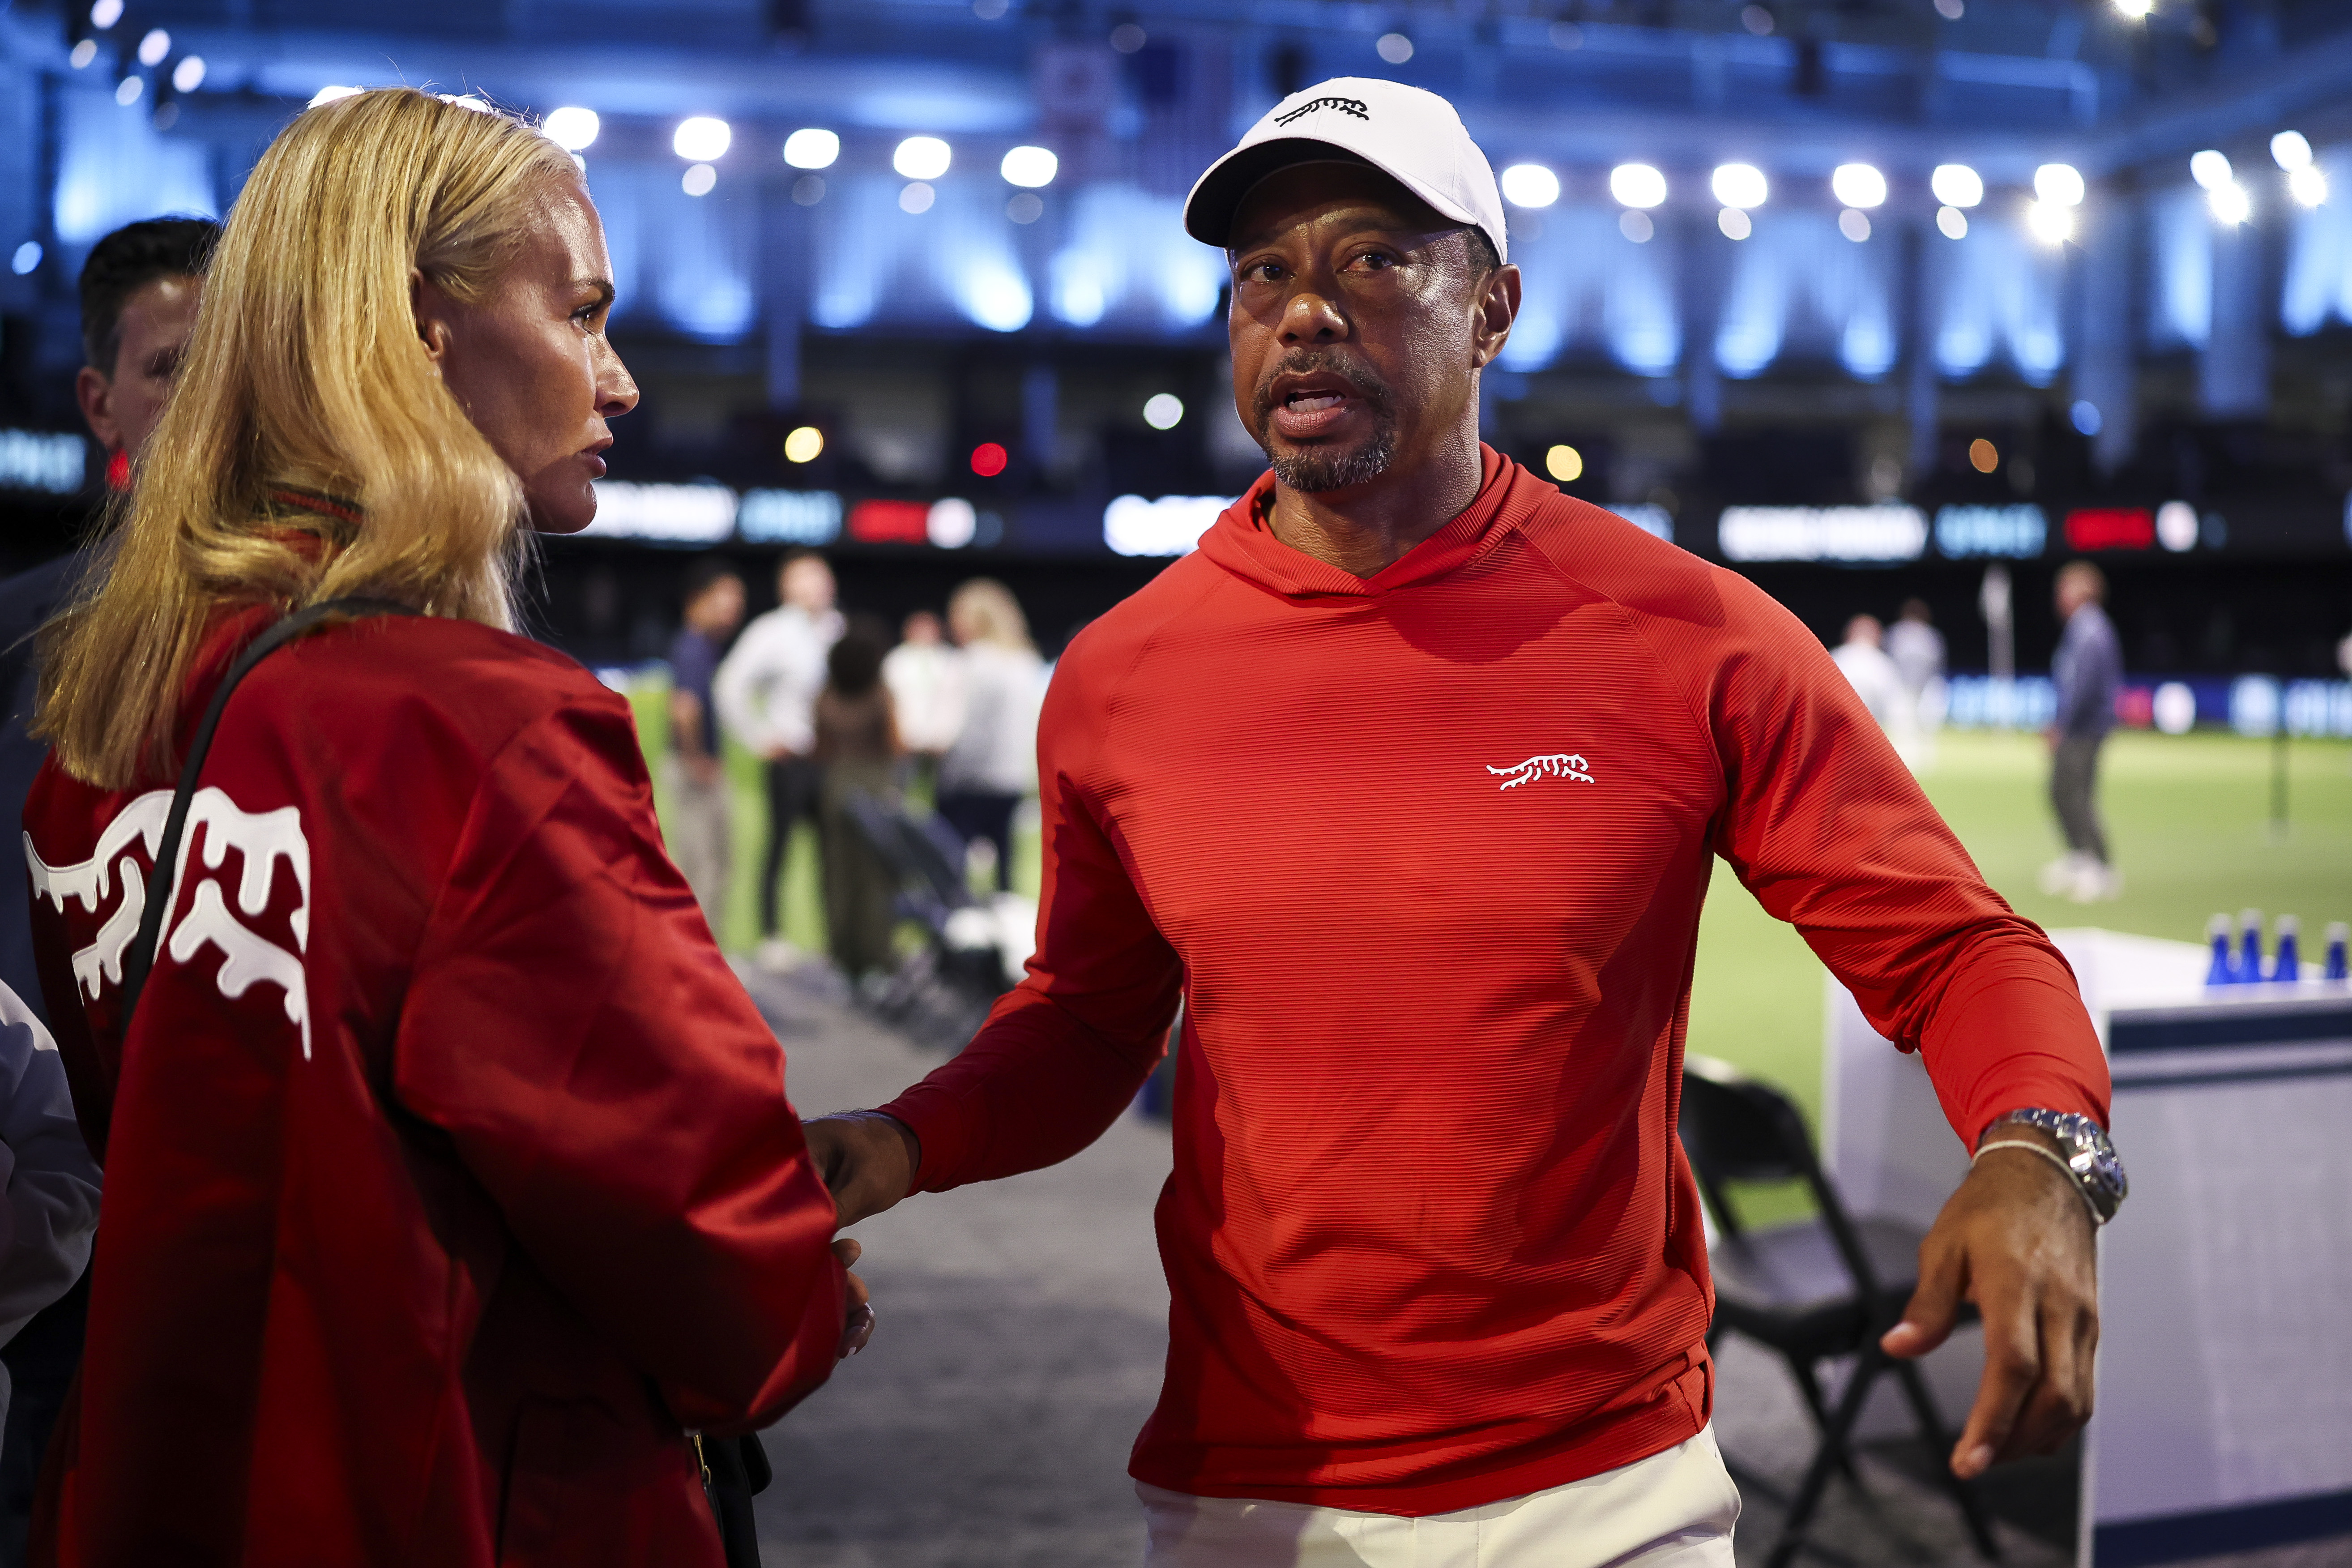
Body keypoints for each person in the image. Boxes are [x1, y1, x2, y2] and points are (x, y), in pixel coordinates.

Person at [807, 77, 2120, 1568]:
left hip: (1607, 1494)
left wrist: (2038, 1149)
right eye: (1263, 275)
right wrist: (901, 1142)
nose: (1305, 309)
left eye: (1373, 258)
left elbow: (1952, 949)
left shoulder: (1686, 633)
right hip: (1254, 1492)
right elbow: (1089, 1021)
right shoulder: (1119, 677)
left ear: (1490, 309)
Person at [21, 89, 862, 1565]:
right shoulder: (481, 729)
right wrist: (809, 1287)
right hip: (459, 1499)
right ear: (418, 332)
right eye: (583, 312)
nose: (618, 381)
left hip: (166, 1492)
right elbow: (723, 1243)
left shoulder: (100, 734)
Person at [0, 214, 218, 1566]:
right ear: (100, 399)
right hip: (58, 1245)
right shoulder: (19, 636)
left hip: (275, 1238)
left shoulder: (368, 645)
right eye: (168, 368)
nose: (205, 408)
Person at [716, 551, 843, 971]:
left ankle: (834, 941)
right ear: (788, 586)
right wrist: (759, 738)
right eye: (808, 579)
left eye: (822, 579)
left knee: (834, 851)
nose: (818, 587)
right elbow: (731, 684)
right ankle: (771, 936)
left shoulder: (835, 629)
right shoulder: (772, 631)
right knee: (779, 848)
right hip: (790, 756)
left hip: (829, 759)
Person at [934, 579, 1042, 893]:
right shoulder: (1025, 661)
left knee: (953, 868)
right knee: (1005, 868)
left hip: (968, 778)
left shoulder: (972, 661)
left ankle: (957, 935)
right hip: (1010, 777)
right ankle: (1006, 931)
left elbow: (960, 728)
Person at [813, 616, 903, 985]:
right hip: (876, 786)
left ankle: (842, 956)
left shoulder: (826, 696)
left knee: (837, 876)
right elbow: (895, 743)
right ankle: (876, 957)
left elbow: (820, 748)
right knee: (877, 878)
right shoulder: (880, 694)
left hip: (837, 785)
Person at [666, 557, 746, 928]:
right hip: (694, 769)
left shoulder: (699, 646)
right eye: (726, 597)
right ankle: (699, 965)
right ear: (699, 599)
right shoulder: (693, 646)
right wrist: (697, 758)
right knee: (705, 869)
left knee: (710, 865)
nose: (733, 607)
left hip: (691, 765)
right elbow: (684, 709)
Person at [2040, 561, 2122, 904]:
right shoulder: (2084, 627)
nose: (2058, 597)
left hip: (2083, 728)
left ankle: (2101, 867)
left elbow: (2081, 685)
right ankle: (2079, 857)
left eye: (2065, 589)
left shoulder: (2089, 628)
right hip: (2082, 725)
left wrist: (2062, 724)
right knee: (2062, 793)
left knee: (2076, 796)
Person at [880, 609, 965, 791]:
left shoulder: (951, 660)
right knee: (901, 786)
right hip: (906, 736)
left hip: (942, 740)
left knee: (939, 788)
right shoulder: (896, 660)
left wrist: (945, 735)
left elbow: (955, 701)